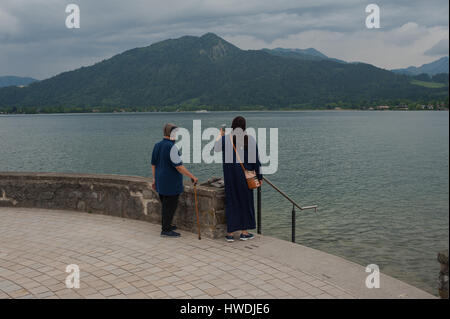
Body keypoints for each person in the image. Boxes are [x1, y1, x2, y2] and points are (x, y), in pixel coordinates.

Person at [214, 116, 263, 242]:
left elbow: (216, 148)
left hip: (230, 178)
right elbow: (256, 161)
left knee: (232, 203)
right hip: (246, 178)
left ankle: (230, 233)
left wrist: (220, 135)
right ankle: (244, 232)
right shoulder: (249, 140)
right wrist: (260, 176)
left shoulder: (226, 139)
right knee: (245, 203)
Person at [151, 123, 198, 237]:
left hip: (160, 181)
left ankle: (167, 225)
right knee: (170, 206)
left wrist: (154, 179)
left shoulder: (157, 145)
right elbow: (178, 166)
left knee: (166, 205)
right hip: (171, 183)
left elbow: (153, 164)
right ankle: (166, 230)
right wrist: (192, 176)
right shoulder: (172, 147)